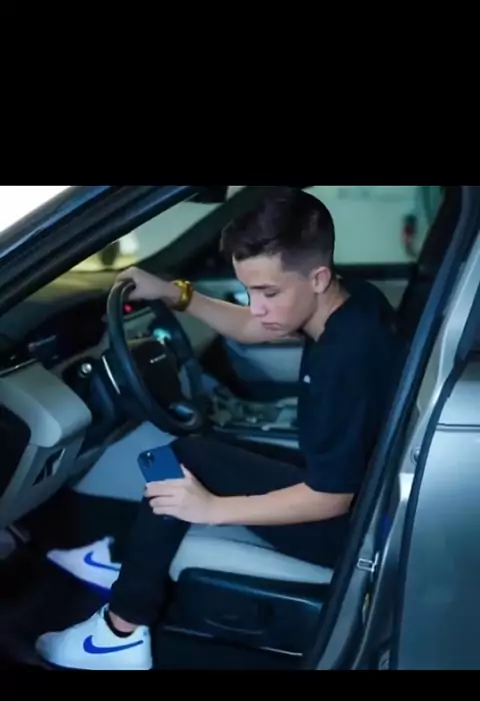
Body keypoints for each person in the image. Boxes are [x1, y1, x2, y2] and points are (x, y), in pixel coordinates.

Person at [35, 187, 404, 670]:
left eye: (268, 292)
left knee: (187, 457)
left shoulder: (346, 358)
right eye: (250, 291)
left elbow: (331, 497)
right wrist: (174, 293)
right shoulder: (350, 302)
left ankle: (118, 633)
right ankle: (132, 561)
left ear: (316, 277)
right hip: (360, 489)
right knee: (201, 450)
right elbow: (252, 327)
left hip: (348, 527)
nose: (257, 306)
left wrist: (213, 509)